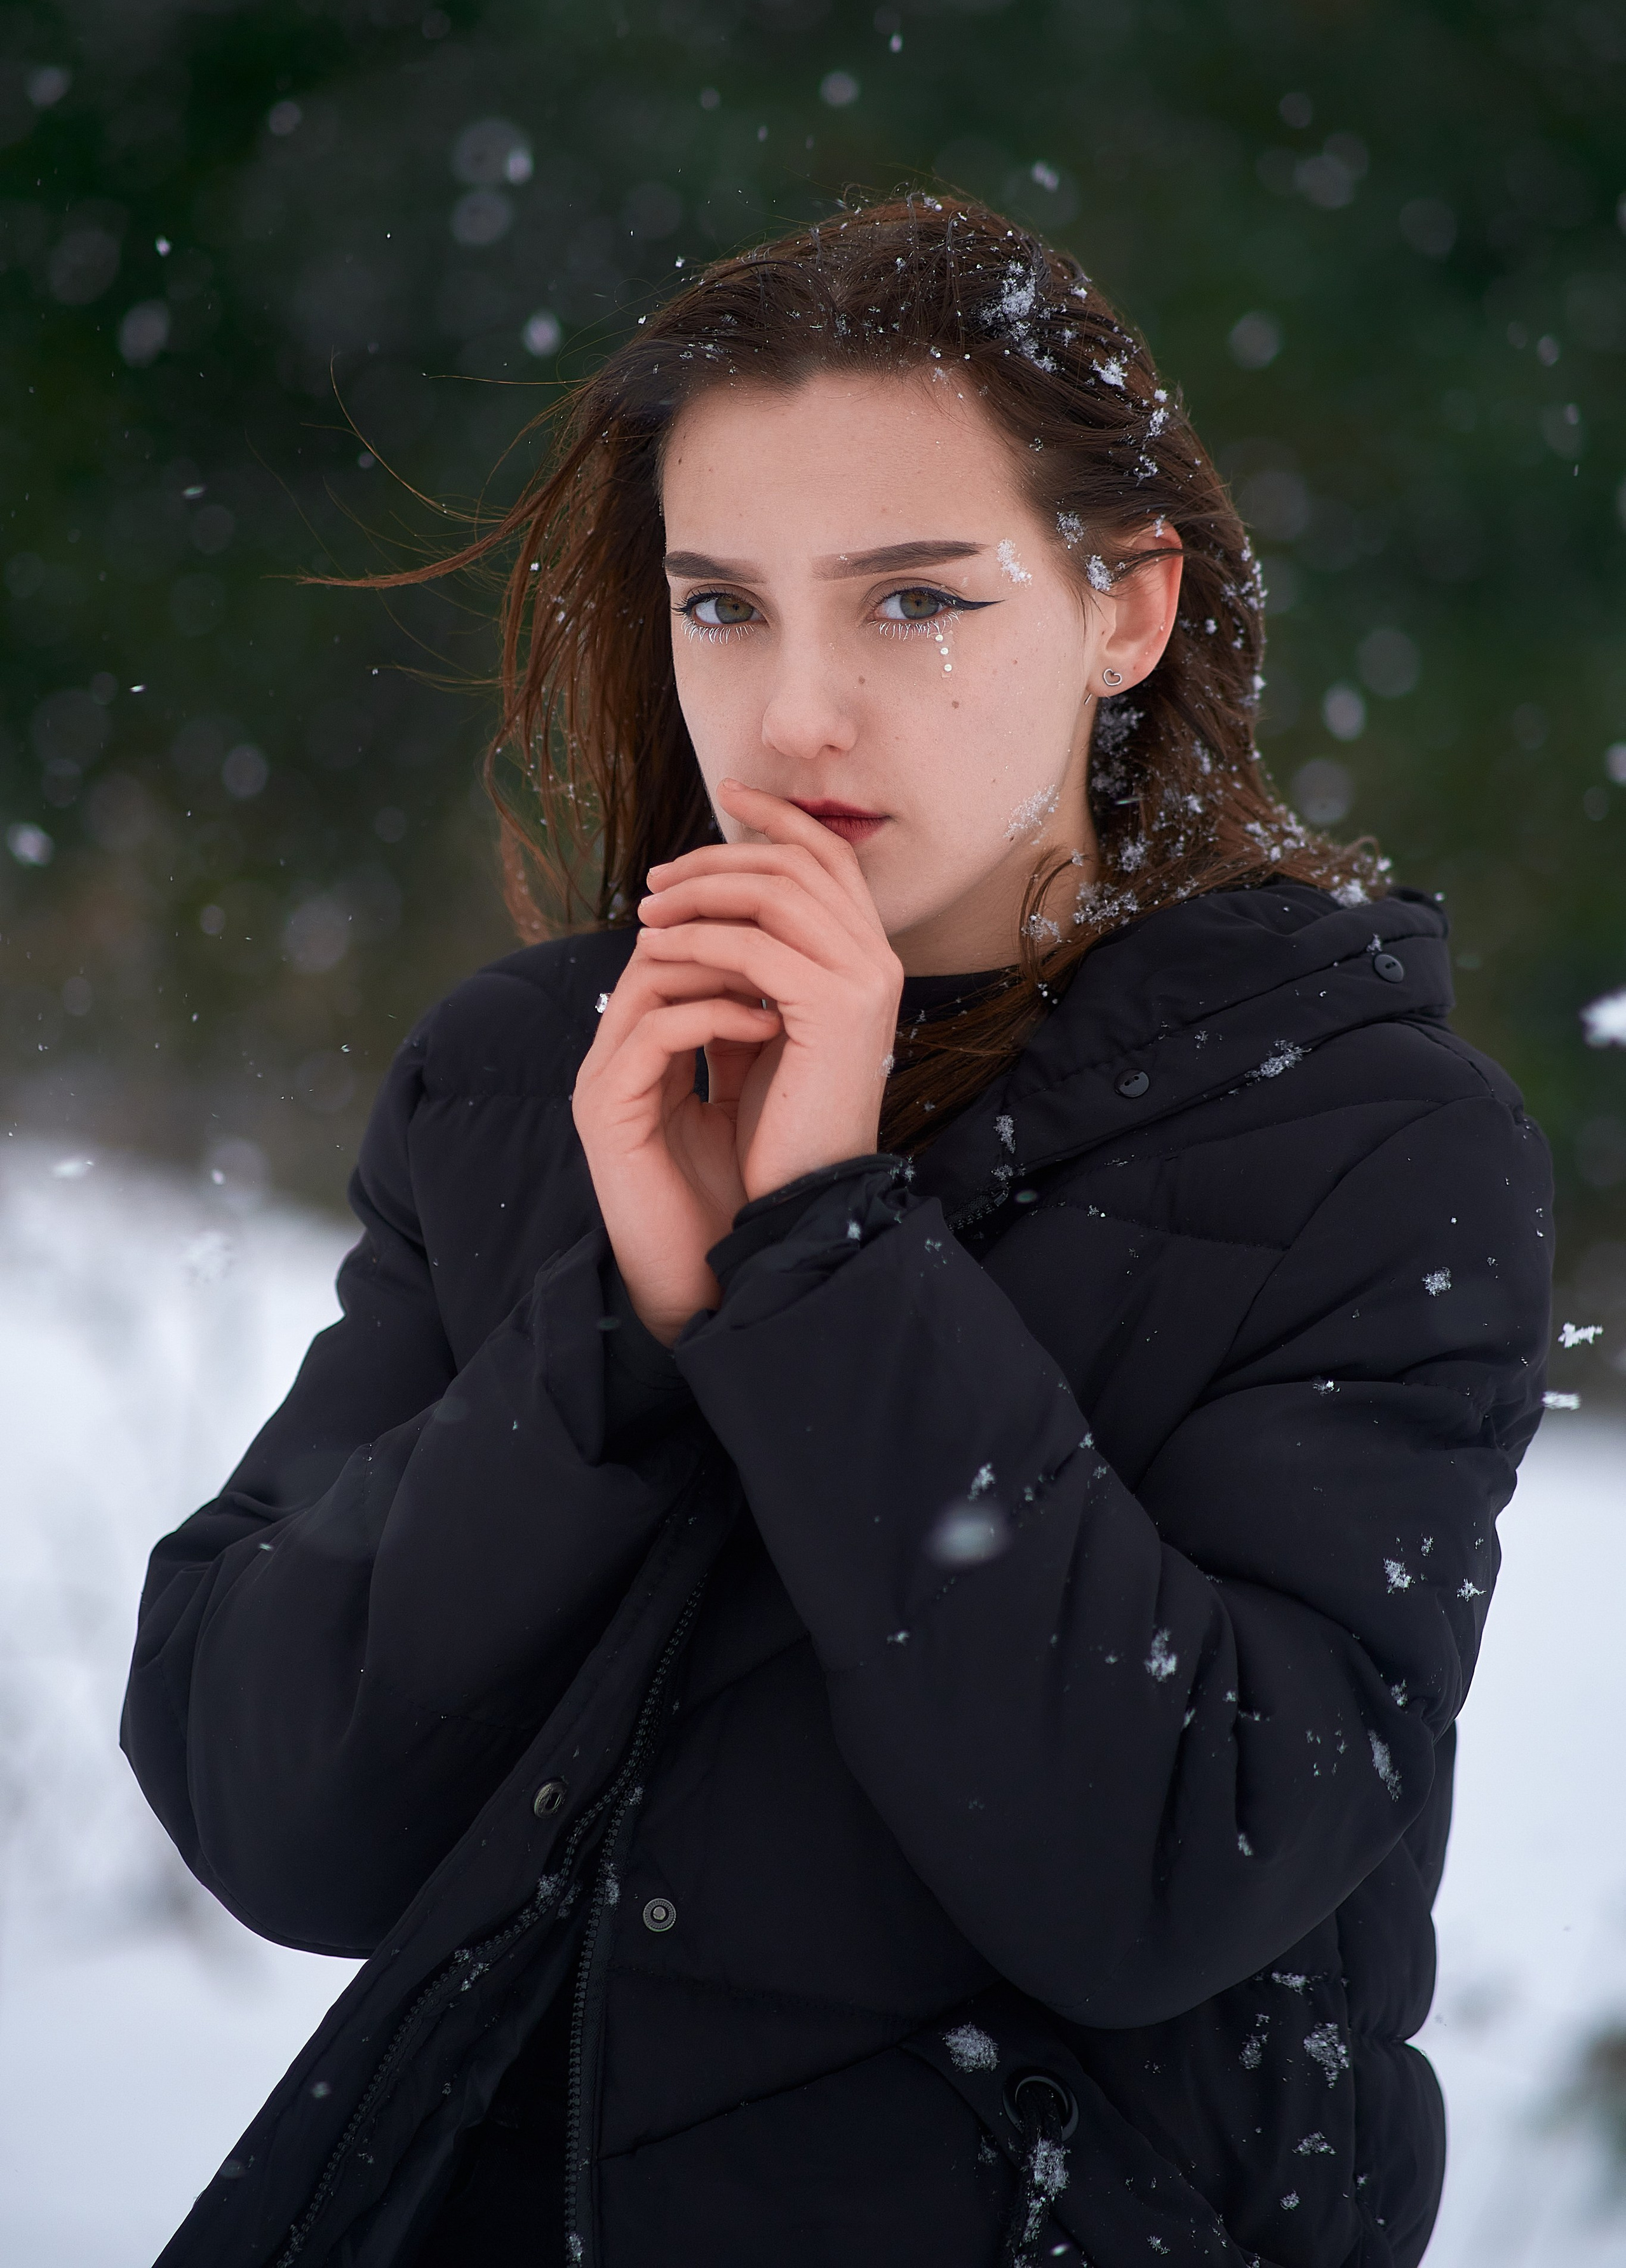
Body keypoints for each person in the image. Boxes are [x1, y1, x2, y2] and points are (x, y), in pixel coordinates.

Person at [123, 196, 1551, 2268]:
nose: (794, 717)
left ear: (1126, 607)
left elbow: (1171, 1862)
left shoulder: (1365, 1146)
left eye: (910, 603)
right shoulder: (539, 1076)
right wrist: (621, 1322)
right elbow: (278, 1812)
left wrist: (821, 1254)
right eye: (723, 606)